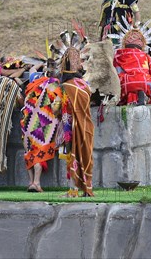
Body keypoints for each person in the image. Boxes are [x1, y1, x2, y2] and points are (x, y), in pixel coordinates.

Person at [56, 39, 95, 197]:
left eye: (76, 58)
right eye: (73, 59)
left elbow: (57, 107)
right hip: (75, 126)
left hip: (74, 126)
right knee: (75, 156)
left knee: (79, 156)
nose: (75, 61)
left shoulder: (69, 85)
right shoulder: (83, 84)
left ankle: (78, 190)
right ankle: (77, 189)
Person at [20, 61, 62, 192]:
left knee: (29, 151)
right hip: (42, 122)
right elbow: (57, 107)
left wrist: (40, 64)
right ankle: (37, 183)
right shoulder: (56, 86)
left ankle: (30, 182)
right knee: (39, 151)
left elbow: (32, 69)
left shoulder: (36, 80)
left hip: (27, 120)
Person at [111, 25, 151, 106]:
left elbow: (115, 73)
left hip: (126, 85)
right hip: (144, 83)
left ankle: (128, 98)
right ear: (142, 44)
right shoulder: (145, 56)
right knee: (148, 82)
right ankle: (143, 95)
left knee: (121, 87)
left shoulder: (117, 55)